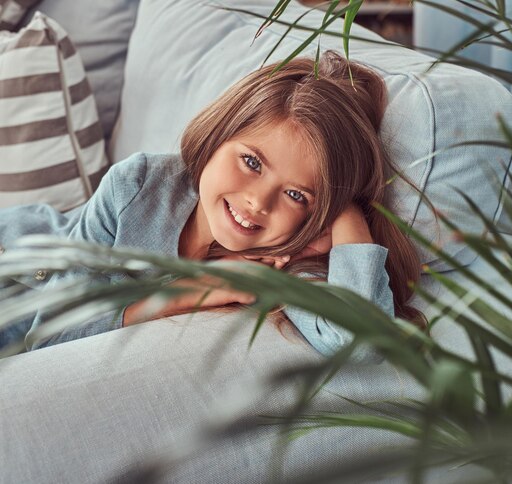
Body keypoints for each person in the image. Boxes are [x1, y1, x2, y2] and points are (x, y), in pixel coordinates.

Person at [0, 50, 426, 359]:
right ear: (219, 134)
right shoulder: (137, 185)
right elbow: (51, 338)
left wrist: (349, 213)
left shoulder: (289, 258)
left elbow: (358, 343)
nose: (258, 202)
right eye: (251, 162)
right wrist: (194, 290)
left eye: (297, 194)